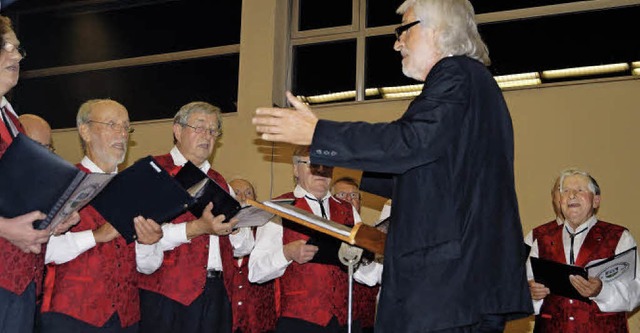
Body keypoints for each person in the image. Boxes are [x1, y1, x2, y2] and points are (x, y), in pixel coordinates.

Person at [252, 0, 533, 331]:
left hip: (447, 286)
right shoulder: (472, 84)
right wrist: (347, 168)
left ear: (438, 30)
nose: (397, 42)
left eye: (403, 30)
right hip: (460, 288)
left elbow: (411, 142)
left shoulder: (455, 73)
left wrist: (319, 133)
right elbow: (424, 174)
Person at [40, 99, 164, 332]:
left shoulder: (138, 188)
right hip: (71, 316)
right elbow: (43, 251)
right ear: (85, 131)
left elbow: (148, 267)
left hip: (125, 319)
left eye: (126, 127)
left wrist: (149, 244)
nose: (122, 134)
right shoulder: (60, 182)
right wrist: (96, 236)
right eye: (112, 124)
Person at [138, 101, 253, 333]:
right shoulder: (153, 171)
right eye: (199, 128)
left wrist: (237, 226)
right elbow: (143, 233)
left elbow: (242, 248)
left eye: (213, 131)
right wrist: (197, 228)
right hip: (168, 292)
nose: (207, 136)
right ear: (177, 130)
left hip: (217, 291)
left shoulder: (221, 182)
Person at [0, 15, 79, 332]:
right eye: (6, 46)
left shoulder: (11, 118)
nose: (17, 56)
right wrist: (5, 228)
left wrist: (50, 220)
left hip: (20, 280)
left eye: (18, 48)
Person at [249, 146, 376, 333]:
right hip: (300, 321)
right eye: (312, 164)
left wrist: (366, 260)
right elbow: (255, 272)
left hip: (345, 320)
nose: (321, 170)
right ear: (295, 170)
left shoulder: (349, 211)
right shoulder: (279, 209)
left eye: (327, 165)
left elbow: (369, 276)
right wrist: (287, 253)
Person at [526, 169, 640, 332]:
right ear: (560, 201)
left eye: (580, 190)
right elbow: (526, 287)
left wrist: (601, 290)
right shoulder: (541, 239)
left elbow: (636, 290)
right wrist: (531, 293)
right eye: (565, 191)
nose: (571, 195)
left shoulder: (619, 237)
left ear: (596, 201)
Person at [227, 178, 277, 333]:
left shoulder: (267, 231)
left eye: (248, 193)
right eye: (236, 193)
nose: (243, 198)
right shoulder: (217, 234)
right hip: (224, 318)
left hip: (260, 320)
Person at [330, 177, 378, 333]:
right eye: (342, 195)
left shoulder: (374, 236)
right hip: (332, 320)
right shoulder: (325, 234)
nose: (349, 200)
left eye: (354, 195)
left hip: (367, 322)